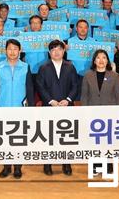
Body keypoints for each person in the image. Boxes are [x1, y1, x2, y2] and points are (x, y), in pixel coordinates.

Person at [0, 39, 35, 179]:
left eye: (15, 49)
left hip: (20, 109)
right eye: (10, 49)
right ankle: (6, 167)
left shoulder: (26, 67)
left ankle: (17, 167)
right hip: (2, 108)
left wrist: (31, 108)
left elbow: (29, 89)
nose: (12, 52)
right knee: (4, 139)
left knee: (18, 139)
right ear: (5, 50)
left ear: (20, 51)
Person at [36, 40, 79, 176]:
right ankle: (47, 164)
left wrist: (68, 100)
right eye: (53, 50)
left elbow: (75, 85)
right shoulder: (43, 67)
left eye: (59, 49)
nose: (56, 52)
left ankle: (66, 164)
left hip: (66, 107)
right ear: (49, 53)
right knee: (49, 136)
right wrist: (50, 101)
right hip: (49, 106)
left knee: (66, 136)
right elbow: (40, 87)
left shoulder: (70, 67)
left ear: (64, 51)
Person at [81, 49, 119, 176]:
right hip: (92, 113)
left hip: (109, 113)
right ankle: (96, 165)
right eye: (98, 58)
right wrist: (85, 113)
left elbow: (118, 97)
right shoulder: (88, 75)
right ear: (94, 61)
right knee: (95, 140)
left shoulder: (114, 76)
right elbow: (84, 96)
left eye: (104, 57)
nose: (101, 60)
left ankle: (108, 164)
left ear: (107, 61)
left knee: (108, 140)